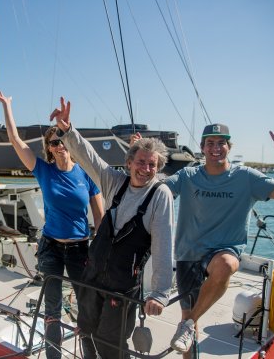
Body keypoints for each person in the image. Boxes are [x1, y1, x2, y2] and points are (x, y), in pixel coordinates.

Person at [50, 97, 174, 359]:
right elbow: (89, 158)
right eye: (141, 162)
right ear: (129, 162)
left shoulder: (159, 195)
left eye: (152, 164)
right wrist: (68, 130)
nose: (146, 169)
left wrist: (160, 293)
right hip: (92, 276)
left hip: (122, 286)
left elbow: (164, 244)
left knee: (111, 344)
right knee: (85, 330)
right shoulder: (115, 182)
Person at [163, 123, 274, 356]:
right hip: (189, 254)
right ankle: (188, 330)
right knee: (188, 322)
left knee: (226, 265)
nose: (216, 148)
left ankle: (186, 326)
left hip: (225, 250)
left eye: (221, 143)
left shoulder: (246, 177)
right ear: (202, 148)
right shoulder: (187, 176)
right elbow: (158, 192)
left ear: (229, 146)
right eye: (210, 143)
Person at [0, 91, 104, 359]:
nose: (59, 145)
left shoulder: (86, 173)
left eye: (62, 139)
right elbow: (15, 140)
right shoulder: (44, 170)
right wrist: (7, 106)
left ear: (68, 143)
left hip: (79, 249)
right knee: (52, 310)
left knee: (86, 308)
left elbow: (99, 217)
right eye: (54, 142)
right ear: (50, 148)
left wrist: (100, 249)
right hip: (51, 247)